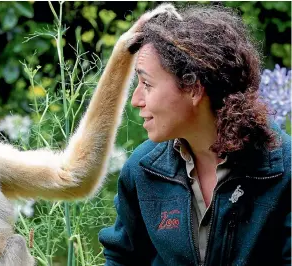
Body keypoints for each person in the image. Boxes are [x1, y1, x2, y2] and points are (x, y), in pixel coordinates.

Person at [98, 4, 291, 266]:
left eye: (147, 84)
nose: (135, 100)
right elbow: (122, 258)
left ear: (193, 88)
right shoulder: (142, 171)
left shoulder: (284, 171)